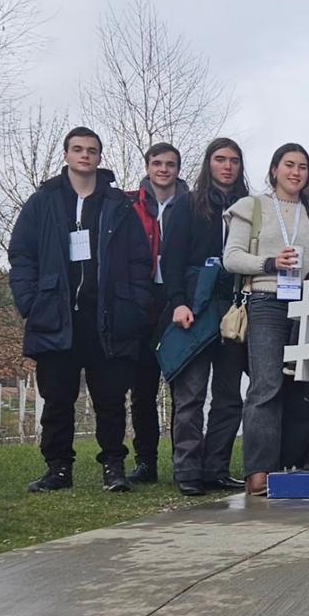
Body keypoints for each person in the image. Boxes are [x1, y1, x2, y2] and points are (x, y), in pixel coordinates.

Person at [8, 127, 152, 493]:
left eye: (92, 150)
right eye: (78, 149)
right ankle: (58, 469)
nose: (85, 155)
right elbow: (22, 253)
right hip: (56, 316)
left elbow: (139, 259)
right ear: (67, 155)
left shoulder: (118, 205)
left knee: (110, 399)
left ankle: (114, 467)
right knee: (57, 398)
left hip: (108, 317)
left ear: (100, 157)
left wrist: (134, 306)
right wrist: (30, 301)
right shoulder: (43, 201)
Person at [223, 144, 309, 496]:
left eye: (303, 166)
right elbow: (231, 257)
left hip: (306, 303)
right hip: (266, 301)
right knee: (266, 385)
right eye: (289, 165)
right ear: (274, 170)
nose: (296, 172)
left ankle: (297, 463)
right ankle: (258, 470)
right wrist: (270, 264)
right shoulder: (252, 207)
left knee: (303, 385)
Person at [160, 137, 249, 496]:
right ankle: (188, 469)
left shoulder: (249, 207)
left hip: (234, 307)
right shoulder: (185, 205)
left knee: (229, 394)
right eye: (220, 159)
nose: (227, 166)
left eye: (234, 160)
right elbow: (172, 259)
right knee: (192, 393)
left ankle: (216, 467)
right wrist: (179, 302)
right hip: (195, 306)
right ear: (208, 164)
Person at [124, 142, 188, 484]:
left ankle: (184, 459)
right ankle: (145, 461)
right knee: (143, 387)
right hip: (142, 296)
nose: (164, 169)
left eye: (171, 164)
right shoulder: (130, 204)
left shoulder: (191, 204)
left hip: (178, 298)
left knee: (182, 386)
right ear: (148, 166)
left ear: (179, 169)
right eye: (157, 163)